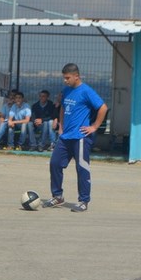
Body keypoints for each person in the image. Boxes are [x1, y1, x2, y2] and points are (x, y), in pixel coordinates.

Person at [44, 63, 108, 213]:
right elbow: (63, 108)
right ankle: (57, 196)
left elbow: (103, 108)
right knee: (54, 163)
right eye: (64, 78)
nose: (65, 80)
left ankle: (83, 201)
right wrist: (61, 125)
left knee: (82, 168)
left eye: (67, 78)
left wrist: (94, 127)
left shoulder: (86, 91)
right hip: (66, 136)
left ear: (76, 76)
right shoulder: (66, 91)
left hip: (80, 137)